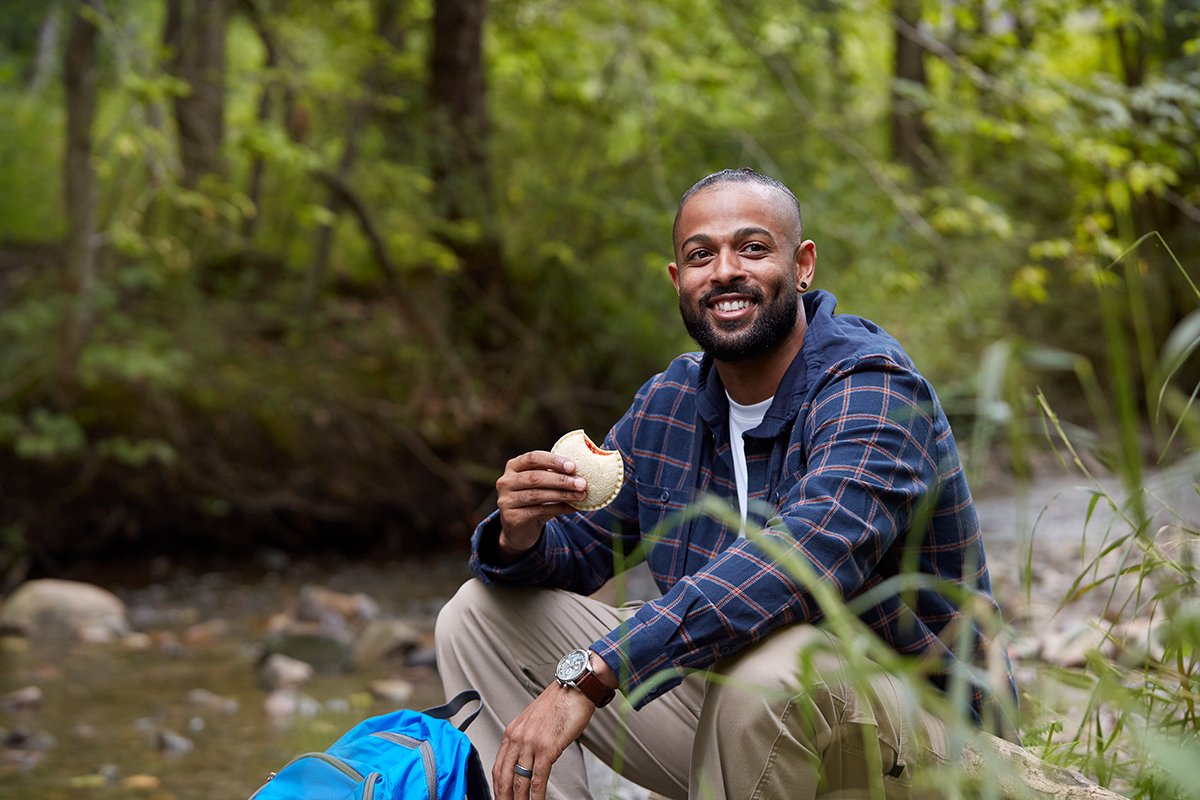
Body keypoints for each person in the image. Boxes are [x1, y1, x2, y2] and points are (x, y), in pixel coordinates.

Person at [435, 168, 1015, 800]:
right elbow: (578, 554)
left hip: (934, 739)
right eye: (700, 256)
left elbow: (801, 562)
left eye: (754, 248)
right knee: (477, 615)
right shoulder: (670, 402)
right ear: (677, 280)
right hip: (746, 715)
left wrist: (593, 673)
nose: (725, 271)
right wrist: (521, 532)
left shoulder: (870, 386)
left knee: (769, 671)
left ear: (803, 266)